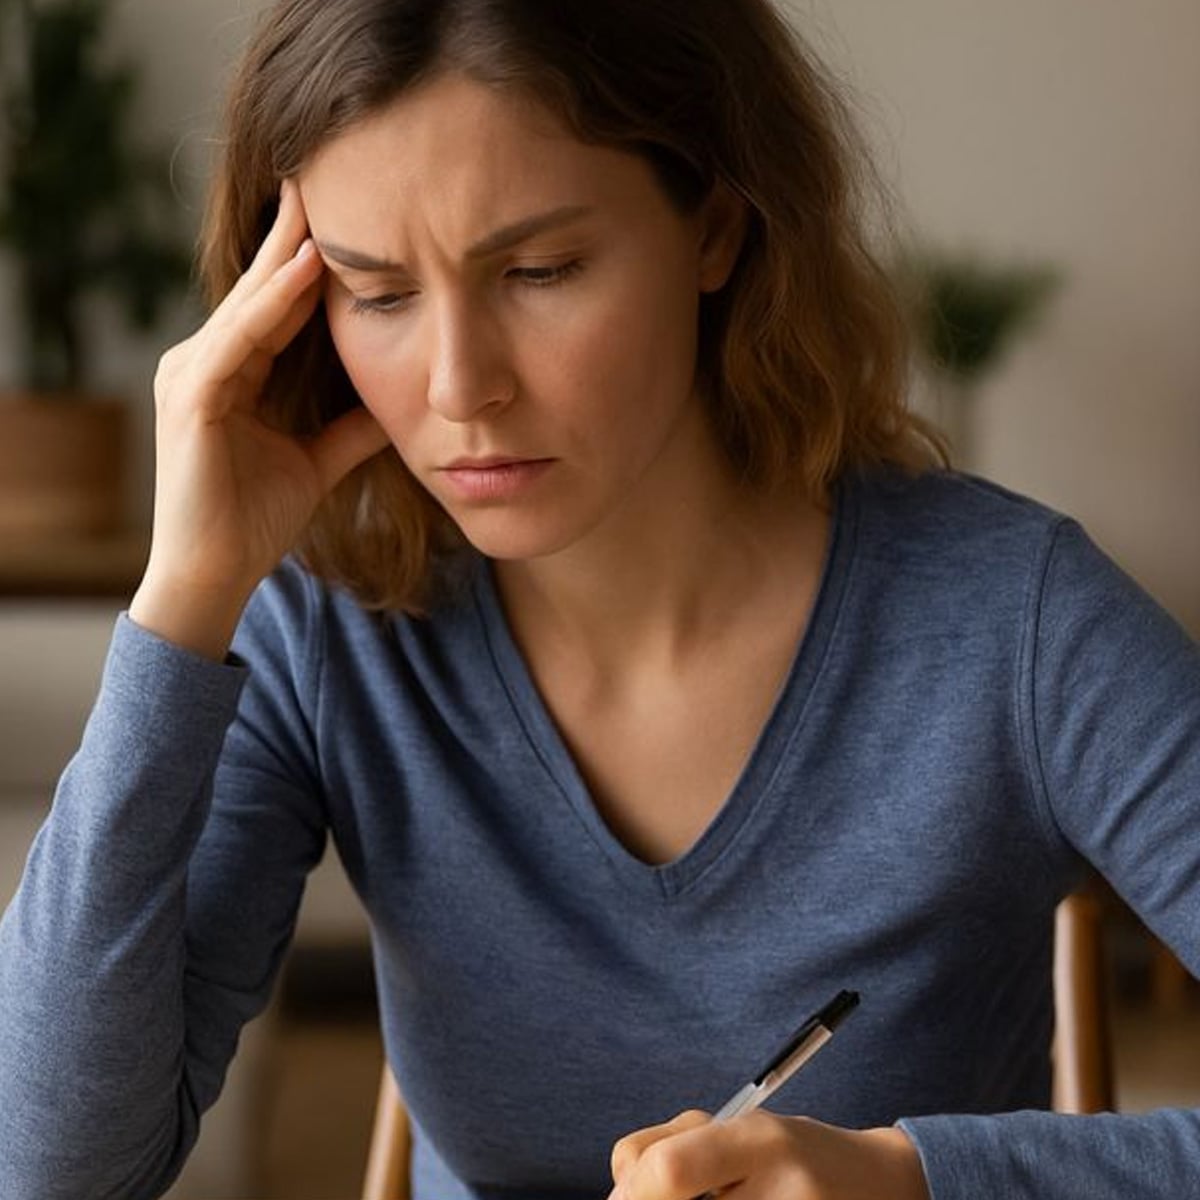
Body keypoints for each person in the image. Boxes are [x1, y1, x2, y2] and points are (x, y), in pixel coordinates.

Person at [0, 0, 1197, 1196]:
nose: (462, 387)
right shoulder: (326, 632)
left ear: (717, 230)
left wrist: (912, 1179)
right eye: (377, 293)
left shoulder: (1014, 622)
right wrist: (181, 601)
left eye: (540, 270)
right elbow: (50, 1170)